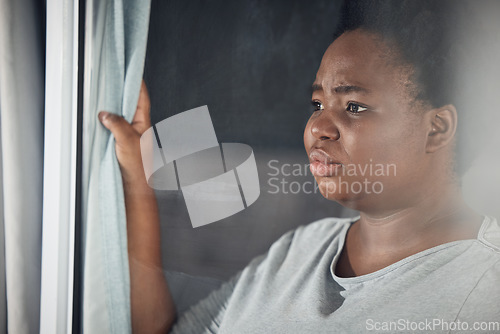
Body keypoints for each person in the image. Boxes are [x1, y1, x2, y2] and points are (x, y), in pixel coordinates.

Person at [98, 0, 500, 333]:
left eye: (354, 106)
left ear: (437, 129)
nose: (317, 128)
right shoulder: (302, 248)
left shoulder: (485, 291)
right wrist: (137, 177)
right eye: (317, 104)